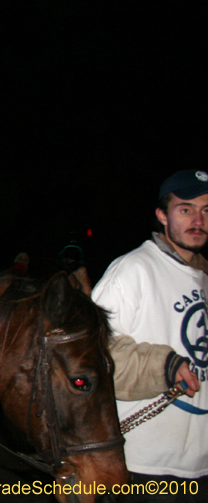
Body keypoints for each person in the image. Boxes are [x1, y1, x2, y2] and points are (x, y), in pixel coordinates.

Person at [92, 169, 208, 500]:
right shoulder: (133, 270)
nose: (197, 220)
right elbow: (92, 356)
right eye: (185, 209)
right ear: (162, 215)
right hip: (141, 466)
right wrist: (165, 366)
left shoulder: (206, 279)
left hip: (200, 468)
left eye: (206, 210)